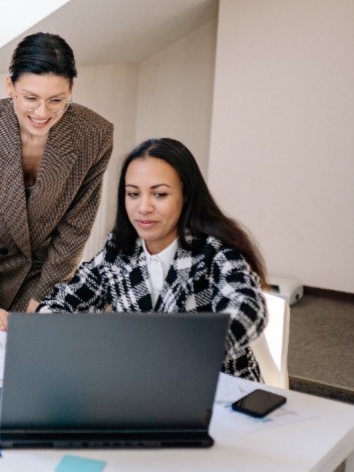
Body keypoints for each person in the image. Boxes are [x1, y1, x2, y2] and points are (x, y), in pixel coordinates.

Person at [38, 138, 268, 381]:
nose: (143, 207)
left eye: (159, 194)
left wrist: (196, 348)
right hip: (144, 390)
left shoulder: (215, 251)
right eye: (133, 194)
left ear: (186, 195)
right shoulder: (118, 250)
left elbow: (248, 307)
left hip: (220, 391)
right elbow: (63, 301)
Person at [0, 32, 114, 331]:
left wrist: (44, 297)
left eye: (56, 100)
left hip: (42, 269)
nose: (42, 112)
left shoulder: (94, 135)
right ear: (10, 86)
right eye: (30, 98)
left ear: (71, 89)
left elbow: (76, 227)